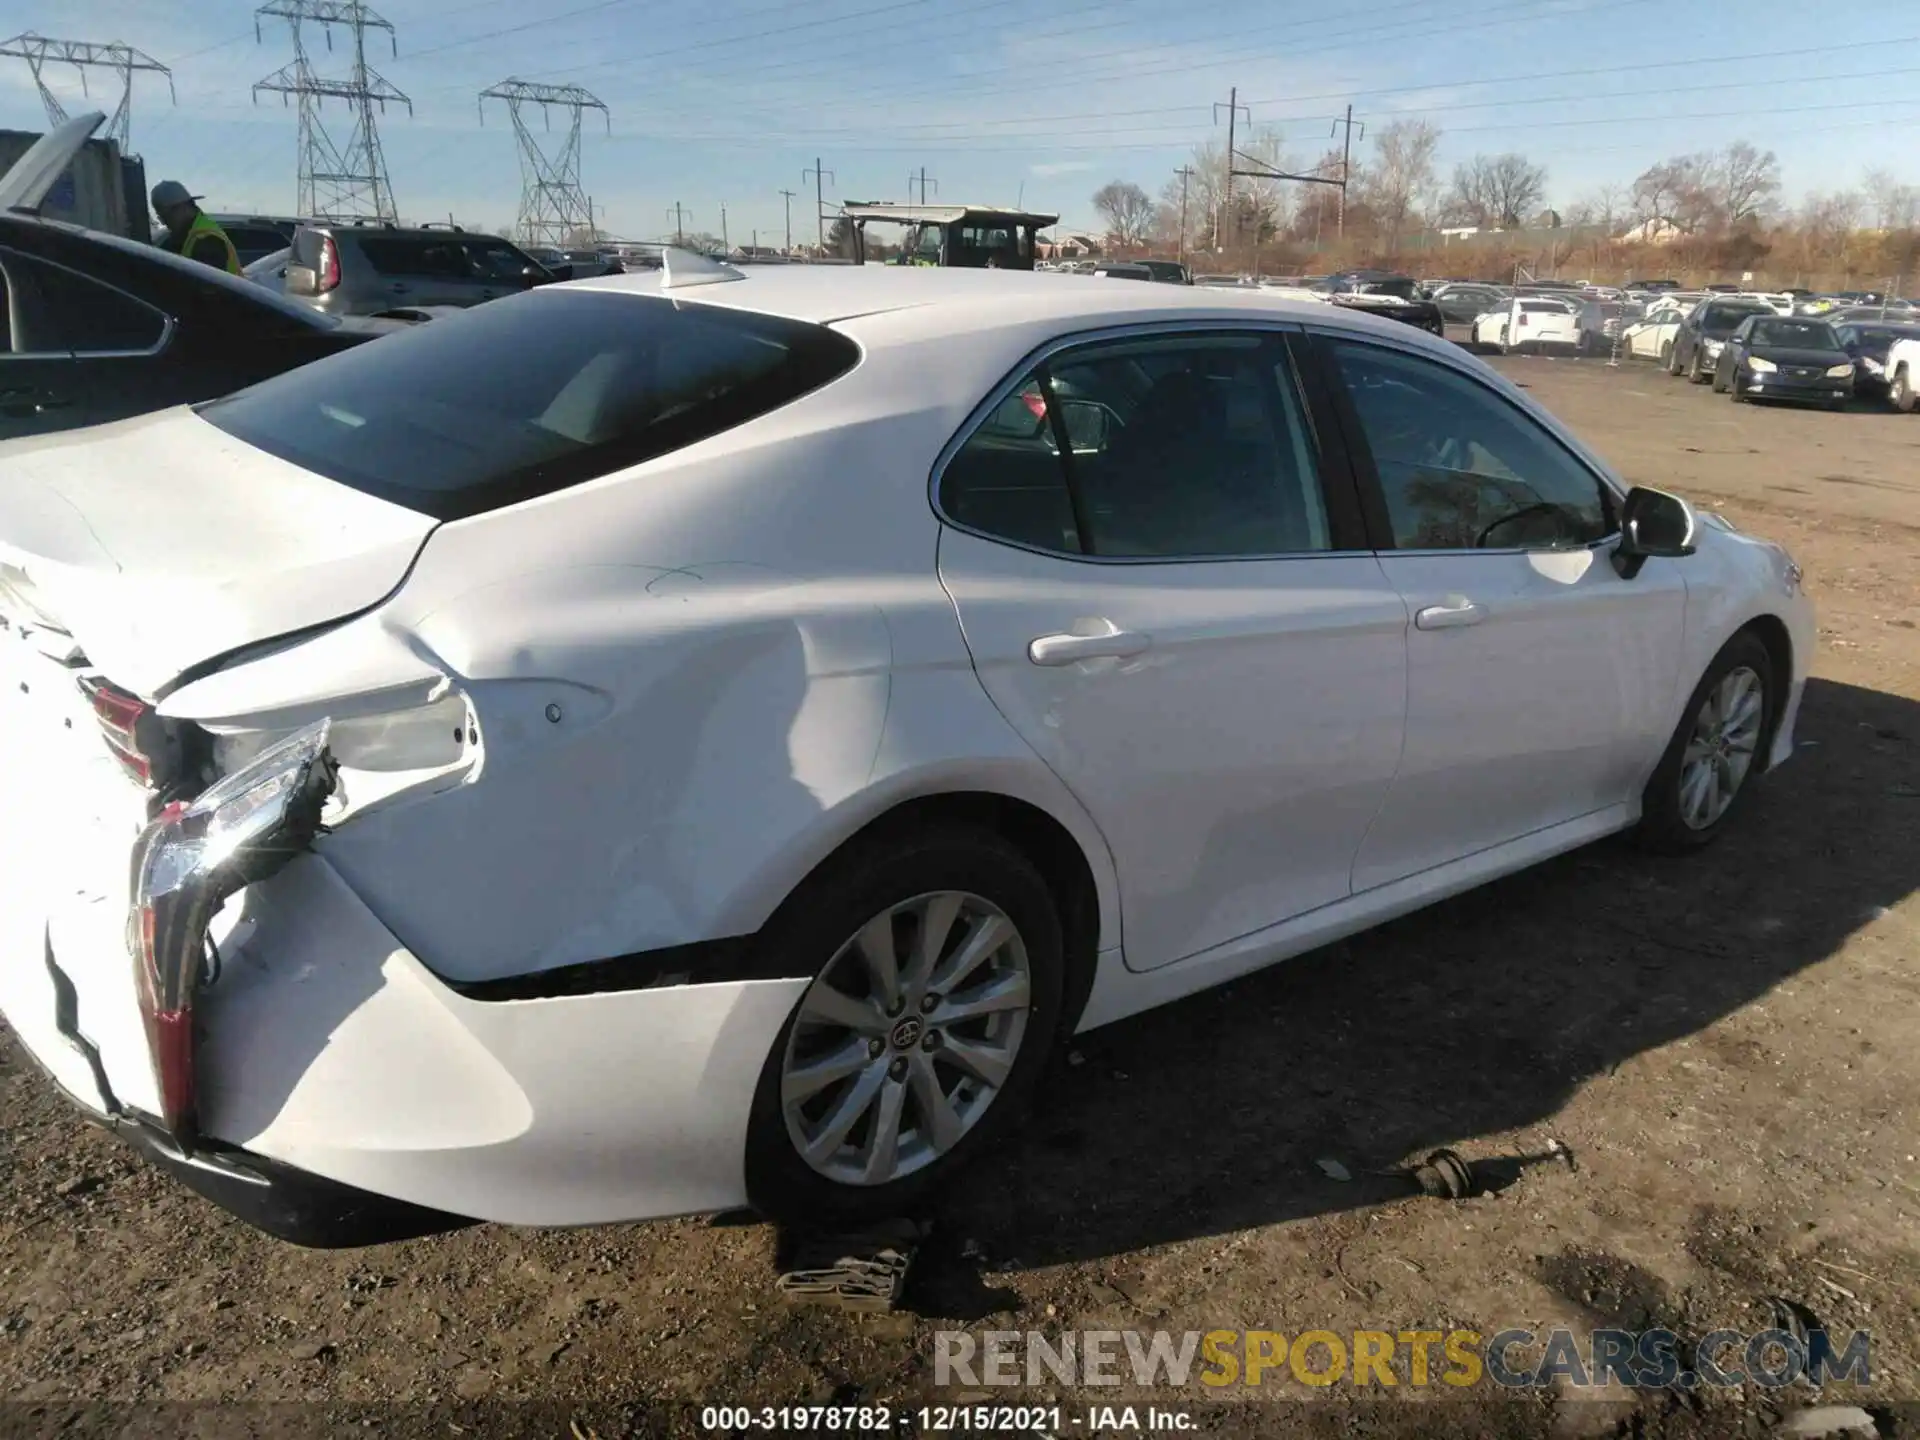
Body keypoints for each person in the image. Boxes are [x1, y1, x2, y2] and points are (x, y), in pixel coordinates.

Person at [150, 181, 240, 274]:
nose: (164, 223)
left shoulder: (207, 241)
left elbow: (206, 286)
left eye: (165, 216)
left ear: (182, 208)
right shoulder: (187, 234)